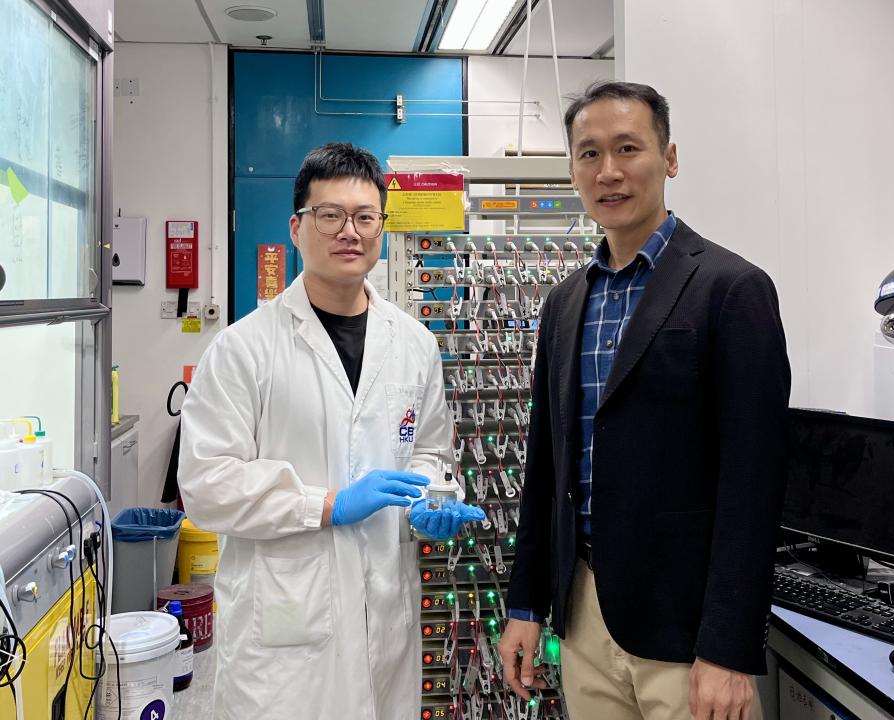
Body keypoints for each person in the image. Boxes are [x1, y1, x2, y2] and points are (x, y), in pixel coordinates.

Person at [498, 82, 791, 720]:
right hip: (581, 620)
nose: (609, 171)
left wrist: (729, 647)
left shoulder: (731, 289)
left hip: (685, 638)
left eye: (628, 148)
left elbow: (754, 483)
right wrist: (525, 604)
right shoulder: (565, 302)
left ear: (670, 158)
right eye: (589, 154)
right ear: (573, 169)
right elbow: (544, 470)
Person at [179, 142, 484, 720]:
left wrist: (428, 499)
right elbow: (205, 483)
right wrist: (326, 504)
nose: (350, 231)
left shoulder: (413, 343)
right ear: (297, 227)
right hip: (285, 626)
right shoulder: (245, 349)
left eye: (365, 217)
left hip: (384, 610)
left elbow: (430, 451)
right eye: (331, 215)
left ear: (382, 228)